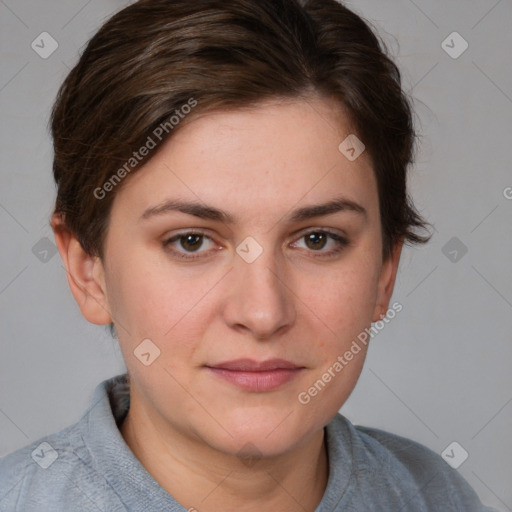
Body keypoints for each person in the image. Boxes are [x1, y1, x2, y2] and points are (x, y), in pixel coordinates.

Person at [0, 0, 499, 510]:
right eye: (190, 241)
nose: (263, 313)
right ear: (89, 271)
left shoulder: (437, 497)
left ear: (384, 274)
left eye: (317, 239)